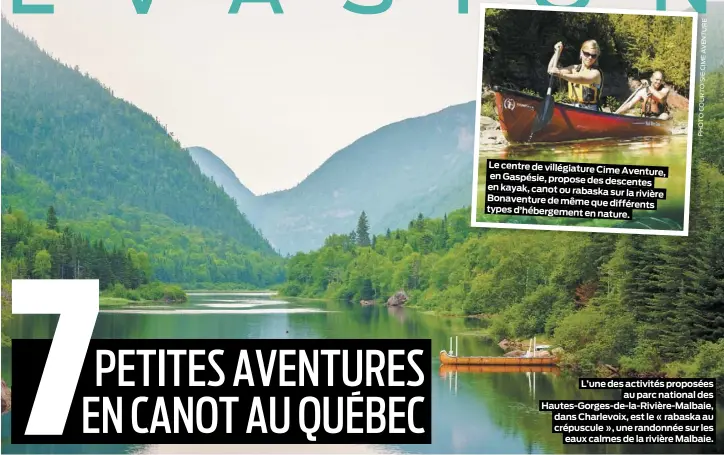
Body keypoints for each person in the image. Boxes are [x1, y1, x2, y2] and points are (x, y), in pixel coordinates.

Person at [547, 40, 604, 111]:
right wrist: (557, 53)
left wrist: (561, 74)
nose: (590, 58)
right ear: (581, 53)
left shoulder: (596, 73)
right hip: (573, 106)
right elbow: (550, 70)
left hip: (589, 109)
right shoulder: (574, 68)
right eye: (587, 54)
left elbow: (581, 79)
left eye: (593, 56)